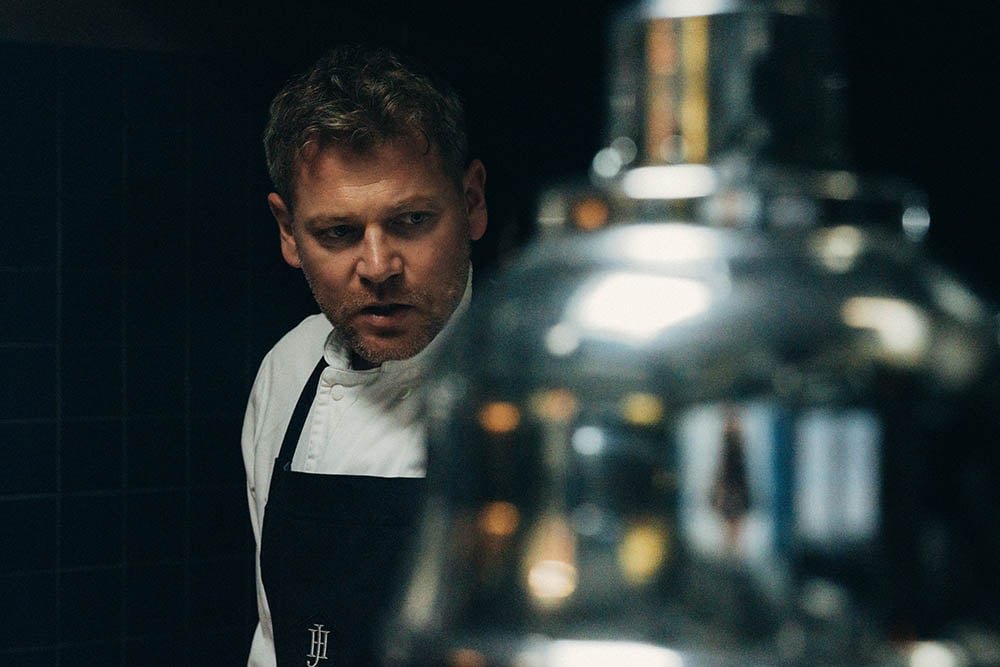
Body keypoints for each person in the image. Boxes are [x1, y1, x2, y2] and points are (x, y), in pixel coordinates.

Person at [241, 44, 488, 666]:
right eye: (338, 233)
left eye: (411, 220)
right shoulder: (287, 368)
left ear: (471, 203)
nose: (378, 268)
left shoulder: (536, 384)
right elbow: (272, 635)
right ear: (288, 232)